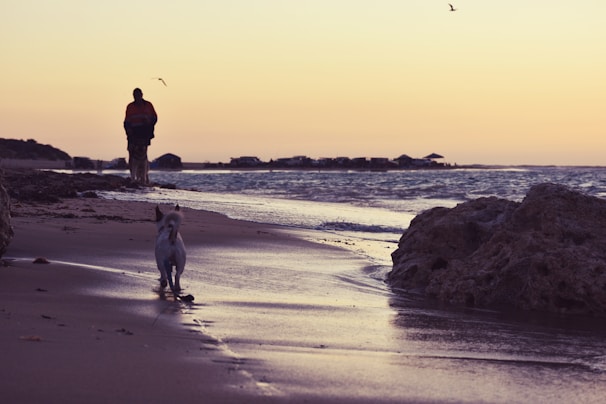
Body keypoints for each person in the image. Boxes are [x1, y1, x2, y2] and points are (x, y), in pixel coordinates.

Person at [123, 88, 157, 184]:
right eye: (134, 95)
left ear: (142, 95)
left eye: (138, 95)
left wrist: (149, 123)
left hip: (144, 133)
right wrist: (128, 132)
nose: (136, 97)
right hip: (133, 134)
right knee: (132, 154)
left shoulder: (148, 105)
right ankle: (133, 177)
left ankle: (144, 177)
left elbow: (155, 118)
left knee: (143, 155)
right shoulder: (130, 107)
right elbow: (126, 121)